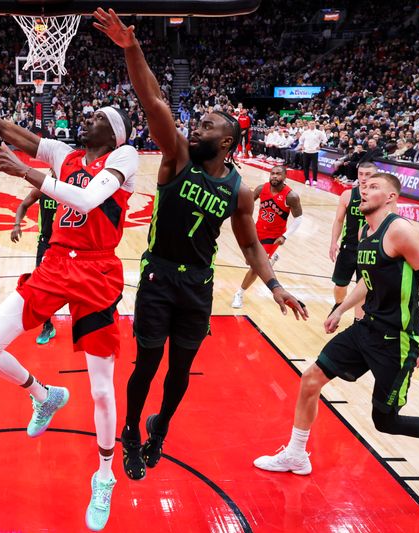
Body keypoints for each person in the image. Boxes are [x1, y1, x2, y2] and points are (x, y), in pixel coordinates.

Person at [92, 8, 307, 485]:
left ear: (226, 141)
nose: (197, 128)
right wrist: (132, 48)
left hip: (197, 285)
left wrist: (275, 287)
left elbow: (251, 246)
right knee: (146, 364)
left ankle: (159, 429)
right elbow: (153, 103)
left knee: (180, 371)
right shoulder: (177, 156)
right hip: (158, 277)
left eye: (207, 125)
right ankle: (129, 430)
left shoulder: (239, 189)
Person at [0, 67, 138, 532]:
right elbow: (6, 129)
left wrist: (25, 171)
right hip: (55, 263)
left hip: (98, 271)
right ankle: (44, 396)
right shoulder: (64, 153)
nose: (88, 118)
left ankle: (104, 476)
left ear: (115, 132)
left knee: (103, 390)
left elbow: (87, 202)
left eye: (99, 117)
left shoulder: (124, 158)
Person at [254, 172, 419, 475]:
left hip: (397, 338)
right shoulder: (366, 232)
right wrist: (341, 309)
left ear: (391, 197)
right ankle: (296, 454)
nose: (364, 190)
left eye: (374, 186)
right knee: (311, 379)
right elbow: (368, 281)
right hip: (366, 328)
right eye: (364, 186)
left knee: (386, 421)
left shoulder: (400, 230)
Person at [231, 165, 303, 308]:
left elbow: (299, 218)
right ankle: (269, 261)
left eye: (278, 174)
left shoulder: (291, 196)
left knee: (255, 266)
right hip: (257, 230)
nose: (275, 176)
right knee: (249, 261)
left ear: (285, 177)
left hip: (274, 236)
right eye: (272, 174)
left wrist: (285, 236)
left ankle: (239, 293)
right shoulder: (261, 189)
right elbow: (246, 205)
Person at [11, 186, 59, 345]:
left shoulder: (73, 185)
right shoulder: (43, 186)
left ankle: (81, 324)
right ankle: (47, 325)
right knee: (42, 287)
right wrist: (17, 224)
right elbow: (23, 205)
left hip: (67, 244)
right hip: (46, 243)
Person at [329, 162, 377, 318]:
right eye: (361, 174)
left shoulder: (381, 198)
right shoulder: (348, 195)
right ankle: (338, 305)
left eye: (368, 174)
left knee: (362, 288)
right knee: (340, 283)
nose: (363, 178)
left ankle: (358, 321)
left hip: (370, 250)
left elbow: (392, 222)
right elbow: (338, 220)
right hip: (348, 247)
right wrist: (333, 242)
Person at [298, 120, 326, 186]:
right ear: (308, 125)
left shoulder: (319, 132)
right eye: (310, 124)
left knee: (314, 167)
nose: (312, 125)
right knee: (305, 166)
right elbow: (300, 140)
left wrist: (321, 145)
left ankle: (314, 180)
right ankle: (307, 179)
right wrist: (302, 146)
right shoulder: (305, 132)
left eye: (313, 124)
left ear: (315, 124)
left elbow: (325, 139)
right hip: (306, 151)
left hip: (314, 152)